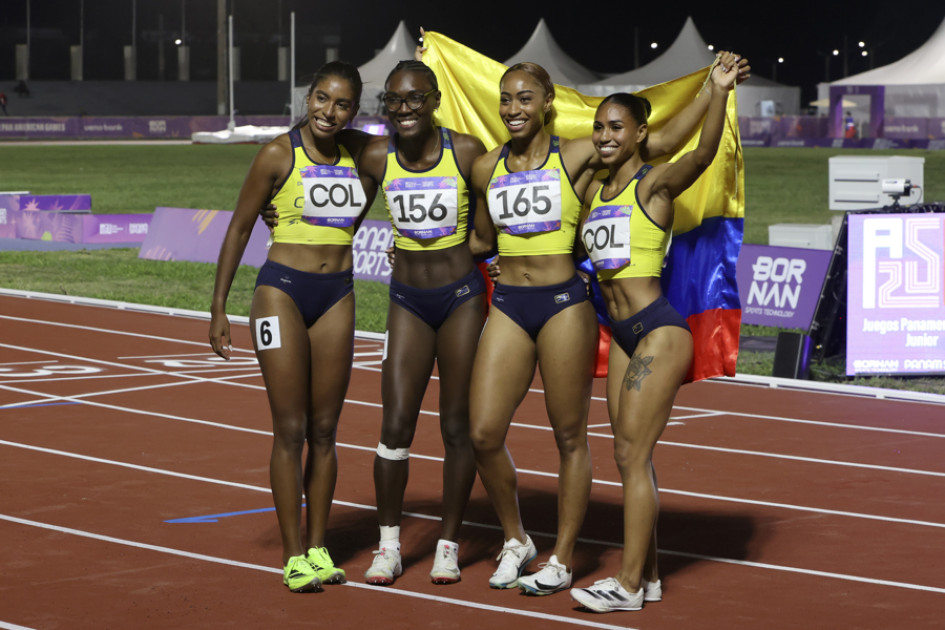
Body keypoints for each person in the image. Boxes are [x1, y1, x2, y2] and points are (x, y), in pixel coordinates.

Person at [466, 53, 746, 596]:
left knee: (620, 451)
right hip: (599, 324)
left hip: (638, 321)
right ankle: (640, 572)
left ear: (548, 104)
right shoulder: (592, 193)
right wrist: (492, 255)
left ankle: (605, 573)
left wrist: (716, 90)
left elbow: (676, 147)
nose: (513, 107)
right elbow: (484, 237)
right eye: (505, 97)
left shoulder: (620, 174)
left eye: (526, 97)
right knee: (488, 432)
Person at [568, 58, 739, 614]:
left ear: (641, 134)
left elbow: (703, 154)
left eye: (617, 127)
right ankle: (653, 574)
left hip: (659, 333)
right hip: (620, 334)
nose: (605, 136)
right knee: (628, 454)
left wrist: (716, 92)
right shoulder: (593, 191)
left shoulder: (656, 182)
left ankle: (629, 585)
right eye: (599, 127)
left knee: (631, 455)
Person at [209, 61, 375, 593]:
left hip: (338, 296)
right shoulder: (280, 153)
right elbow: (238, 229)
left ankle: (320, 548)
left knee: (326, 431)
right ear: (308, 98)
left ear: (355, 109)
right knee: (292, 428)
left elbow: (373, 195)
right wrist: (218, 308)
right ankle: (292, 554)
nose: (330, 112)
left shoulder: (363, 154)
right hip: (280, 294)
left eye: (343, 103)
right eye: (322, 99)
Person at [341, 59, 488, 586]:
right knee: (395, 425)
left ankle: (447, 544)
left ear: (434, 100)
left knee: (456, 427)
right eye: (394, 101)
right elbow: (344, 216)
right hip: (406, 301)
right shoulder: (378, 156)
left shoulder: (466, 152)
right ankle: (389, 545)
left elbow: (489, 235)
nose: (404, 109)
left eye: (414, 99)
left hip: (461, 301)